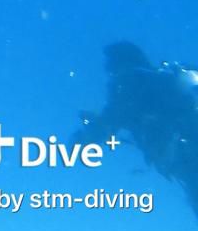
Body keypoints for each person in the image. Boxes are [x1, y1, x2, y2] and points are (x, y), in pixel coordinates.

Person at [76, 41, 198, 216]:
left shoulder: (130, 81)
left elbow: (114, 117)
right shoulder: (156, 81)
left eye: (110, 64)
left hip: (186, 154)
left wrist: (85, 136)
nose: (109, 71)